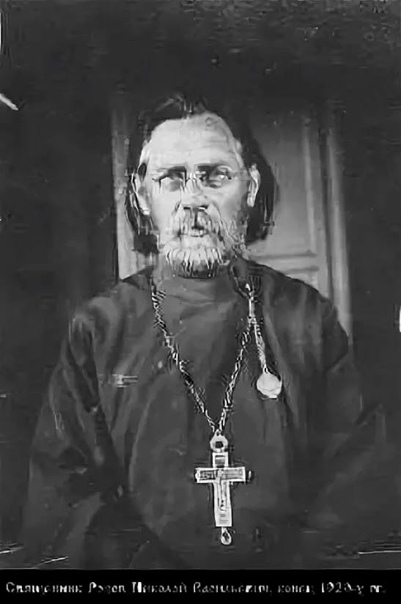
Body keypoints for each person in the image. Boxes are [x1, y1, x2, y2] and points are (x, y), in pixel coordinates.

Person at [12, 92, 399, 569]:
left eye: (214, 175)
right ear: (142, 195)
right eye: (171, 178)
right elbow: (65, 496)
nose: (193, 198)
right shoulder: (99, 328)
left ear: (250, 187)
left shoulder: (305, 316)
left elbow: (357, 481)